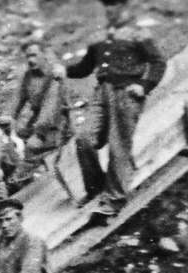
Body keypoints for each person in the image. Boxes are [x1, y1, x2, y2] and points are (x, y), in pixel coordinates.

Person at [54, 0, 166, 219]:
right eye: (108, 6)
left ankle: (113, 199)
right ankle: (96, 188)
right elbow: (86, 67)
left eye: (115, 6)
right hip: (101, 92)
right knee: (83, 138)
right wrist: (65, 70)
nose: (111, 11)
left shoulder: (138, 34)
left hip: (126, 94)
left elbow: (158, 61)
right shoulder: (100, 36)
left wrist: (144, 86)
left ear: (125, 8)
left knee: (118, 146)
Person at [7, 41, 73, 163]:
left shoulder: (54, 76)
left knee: (31, 146)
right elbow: (16, 101)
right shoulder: (28, 76)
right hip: (38, 121)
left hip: (56, 124)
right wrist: (7, 123)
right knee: (11, 140)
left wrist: (38, 134)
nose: (30, 60)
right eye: (28, 56)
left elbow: (49, 109)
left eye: (34, 55)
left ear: (44, 55)